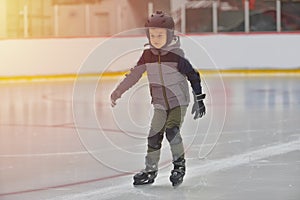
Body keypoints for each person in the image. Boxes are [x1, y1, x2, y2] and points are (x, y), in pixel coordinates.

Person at [110, 11, 206, 187]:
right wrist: (118, 91)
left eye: (160, 35)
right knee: (154, 135)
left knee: (172, 131)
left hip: (178, 101)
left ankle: (179, 166)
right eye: (152, 35)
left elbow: (193, 75)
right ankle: (150, 169)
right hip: (160, 103)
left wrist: (199, 98)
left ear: (169, 35)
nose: (155, 38)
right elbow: (134, 75)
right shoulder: (147, 56)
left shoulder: (176, 55)